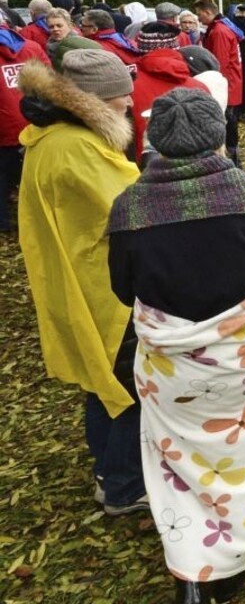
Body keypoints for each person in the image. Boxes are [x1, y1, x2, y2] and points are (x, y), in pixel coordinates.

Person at [106, 87, 245, 604]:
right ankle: (231, 560)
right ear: (215, 134)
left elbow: (124, 289)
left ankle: (191, 575)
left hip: (171, 368)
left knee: (178, 462)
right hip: (242, 364)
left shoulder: (130, 208)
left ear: (156, 139)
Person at [16, 53, 145, 518]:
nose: (130, 102)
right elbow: (133, 204)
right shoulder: (77, 148)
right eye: (120, 96)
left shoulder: (49, 139)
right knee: (128, 385)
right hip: (102, 286)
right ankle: (125, 487)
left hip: (78, 277)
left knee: (101, 381)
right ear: (91, 101)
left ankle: (108, 471)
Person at [131, 22, 210, 162]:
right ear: (176, 48)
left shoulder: (127, 88)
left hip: (144, 167)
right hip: (193, 167)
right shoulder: (200, 87)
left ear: (141, 48)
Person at [0, 22, 50, 232]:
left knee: (2, 178)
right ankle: (41, 221)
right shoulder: (31, 47)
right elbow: (50, 80)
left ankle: (3, 222)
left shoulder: (32, 46)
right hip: (34, 122)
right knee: (36, 176)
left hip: (5, 128)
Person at [194, 0, 245, 165]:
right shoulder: (222, 27)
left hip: (226, 85)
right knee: (230, 121)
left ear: (208, 12)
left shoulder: (219, 32)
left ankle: (230, 158)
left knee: (228, 122)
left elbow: (218, 63)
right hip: (231, 82)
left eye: (199, 14)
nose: (198, 18)